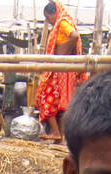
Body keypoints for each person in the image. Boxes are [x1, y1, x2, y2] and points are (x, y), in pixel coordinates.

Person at [35, 1, 85, 141]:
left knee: (46, 97)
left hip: (62, 69)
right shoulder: (62, 22)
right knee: (64, 104)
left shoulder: (62, 22)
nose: (48, 21)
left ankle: (57, 133)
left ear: (53, 13)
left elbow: (75, 36)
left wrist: (63, 51)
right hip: (67, 70)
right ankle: (60, 137)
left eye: (47, 17)